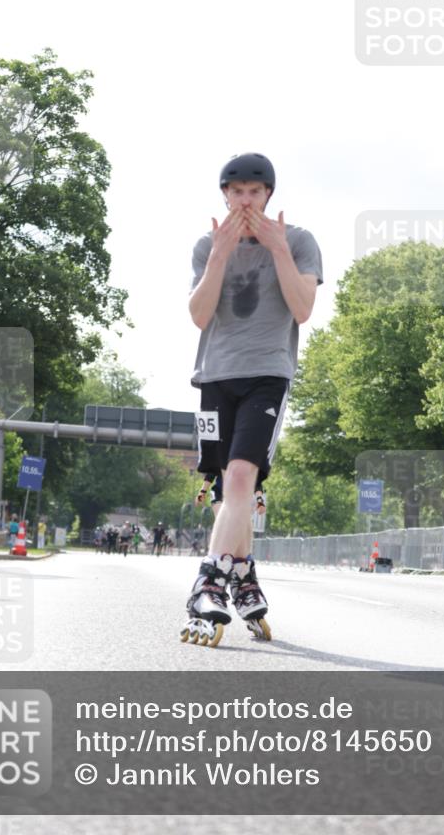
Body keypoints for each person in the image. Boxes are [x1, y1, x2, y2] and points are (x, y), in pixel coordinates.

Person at [182, 152, 322, 646]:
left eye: (254, 192)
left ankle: (210, 581)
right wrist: (220, 254)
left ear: (268, 196)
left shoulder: (299, 241)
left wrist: (278, 249)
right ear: (225, 195)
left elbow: (303, 309)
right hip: (215, 376)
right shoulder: (207, 245)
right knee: (225, 491)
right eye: (236, 192)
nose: (245, 200)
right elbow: (199, 316)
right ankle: (245, 580)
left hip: (267, 374)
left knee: (242, 476)